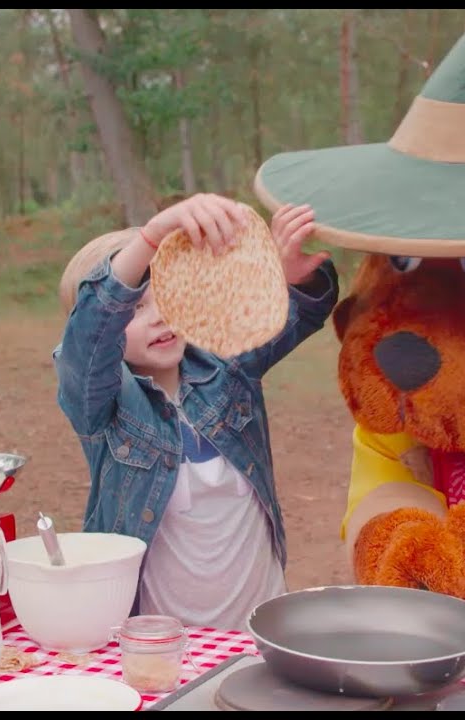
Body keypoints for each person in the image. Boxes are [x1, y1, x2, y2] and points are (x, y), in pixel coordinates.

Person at [51, 192, 339, 631]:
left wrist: (292, 277)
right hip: (160, 645)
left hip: (260, 631)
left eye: (164, 295)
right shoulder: (101, 406)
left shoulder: (229, 366)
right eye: (134, 307)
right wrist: (152, 236)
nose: (158, 318)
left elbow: (302, 309)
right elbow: (87, 340)